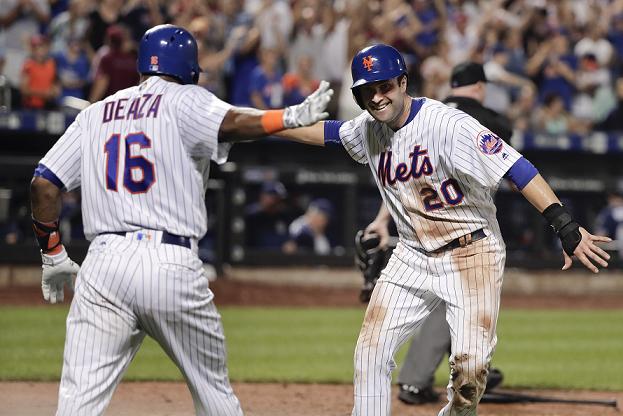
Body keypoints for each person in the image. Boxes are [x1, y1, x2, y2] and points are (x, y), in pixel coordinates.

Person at [276, 43, 610, 415]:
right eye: (366, 91)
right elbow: (328, 132)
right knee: (370, 352)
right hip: (411, 256)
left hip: (473, 254)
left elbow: (517, 168)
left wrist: (564, 224)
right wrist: (272, 122)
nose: (377, 97)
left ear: (403, 82)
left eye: (384, 86)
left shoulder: (449, 125)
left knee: (470, 372)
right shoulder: (368, 129)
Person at [29, 24, 332, 415]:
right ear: (190, 68)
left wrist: (52, 254)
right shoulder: (186, 99)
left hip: (101, 266)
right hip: (168, 262)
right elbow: (234, 122)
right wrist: (286, 117)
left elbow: (43, 184)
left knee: (77, 404)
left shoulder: (97, 112)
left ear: (142, 64)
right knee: (213, 394)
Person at [381, 61, 510, 405]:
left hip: (417, 223)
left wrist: (382, 220)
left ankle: (435, 374)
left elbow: (399, 172)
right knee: (456, 303)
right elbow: (503, 170)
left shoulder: (428, 113)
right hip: (464, 227)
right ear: (480, 87)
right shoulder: (490, 120)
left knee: (441, 304)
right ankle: (421, 379)